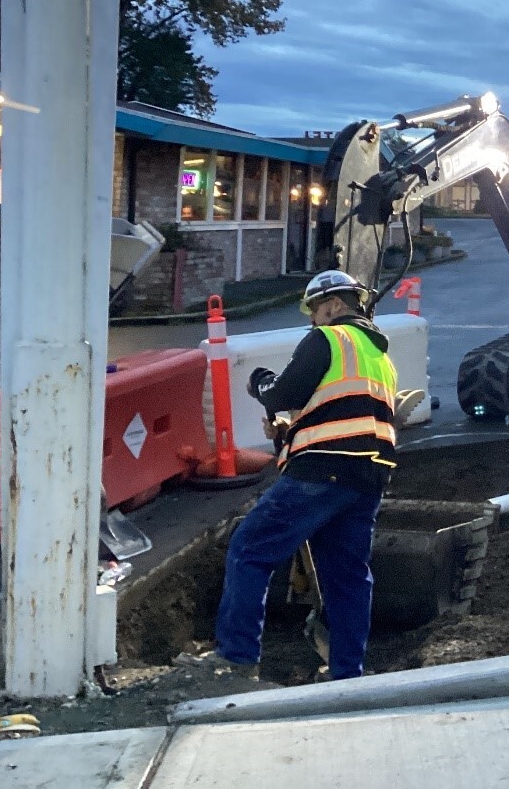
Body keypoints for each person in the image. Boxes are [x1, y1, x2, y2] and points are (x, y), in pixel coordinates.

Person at [178, 270, 421, 680]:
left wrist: (261, 384)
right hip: (368, 476)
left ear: (335, 304)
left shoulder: (329, 339)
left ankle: (236, 657)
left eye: (314, 310)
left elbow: (283, 393)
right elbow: (346, 414)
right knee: (348, 576)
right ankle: (347, 673)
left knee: (249, 549)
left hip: (323, 470)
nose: (312, 319)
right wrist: (290, 434)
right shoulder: (380, 358)